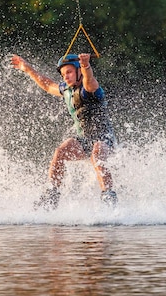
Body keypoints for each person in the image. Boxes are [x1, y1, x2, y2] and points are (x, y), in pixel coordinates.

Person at [11, 52, 117, 209]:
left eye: (69, 72)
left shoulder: (91, 88)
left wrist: (86, 65)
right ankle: (52, 196)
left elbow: (89, 79)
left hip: (104, 139)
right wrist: (27, 68)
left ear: (78, 71)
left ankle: (109, 198)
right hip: (84, 140)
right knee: (60, 151)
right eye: (63, 74)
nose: (65, 77)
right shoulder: (65, 89)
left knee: (96, 154)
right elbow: (47, 84)